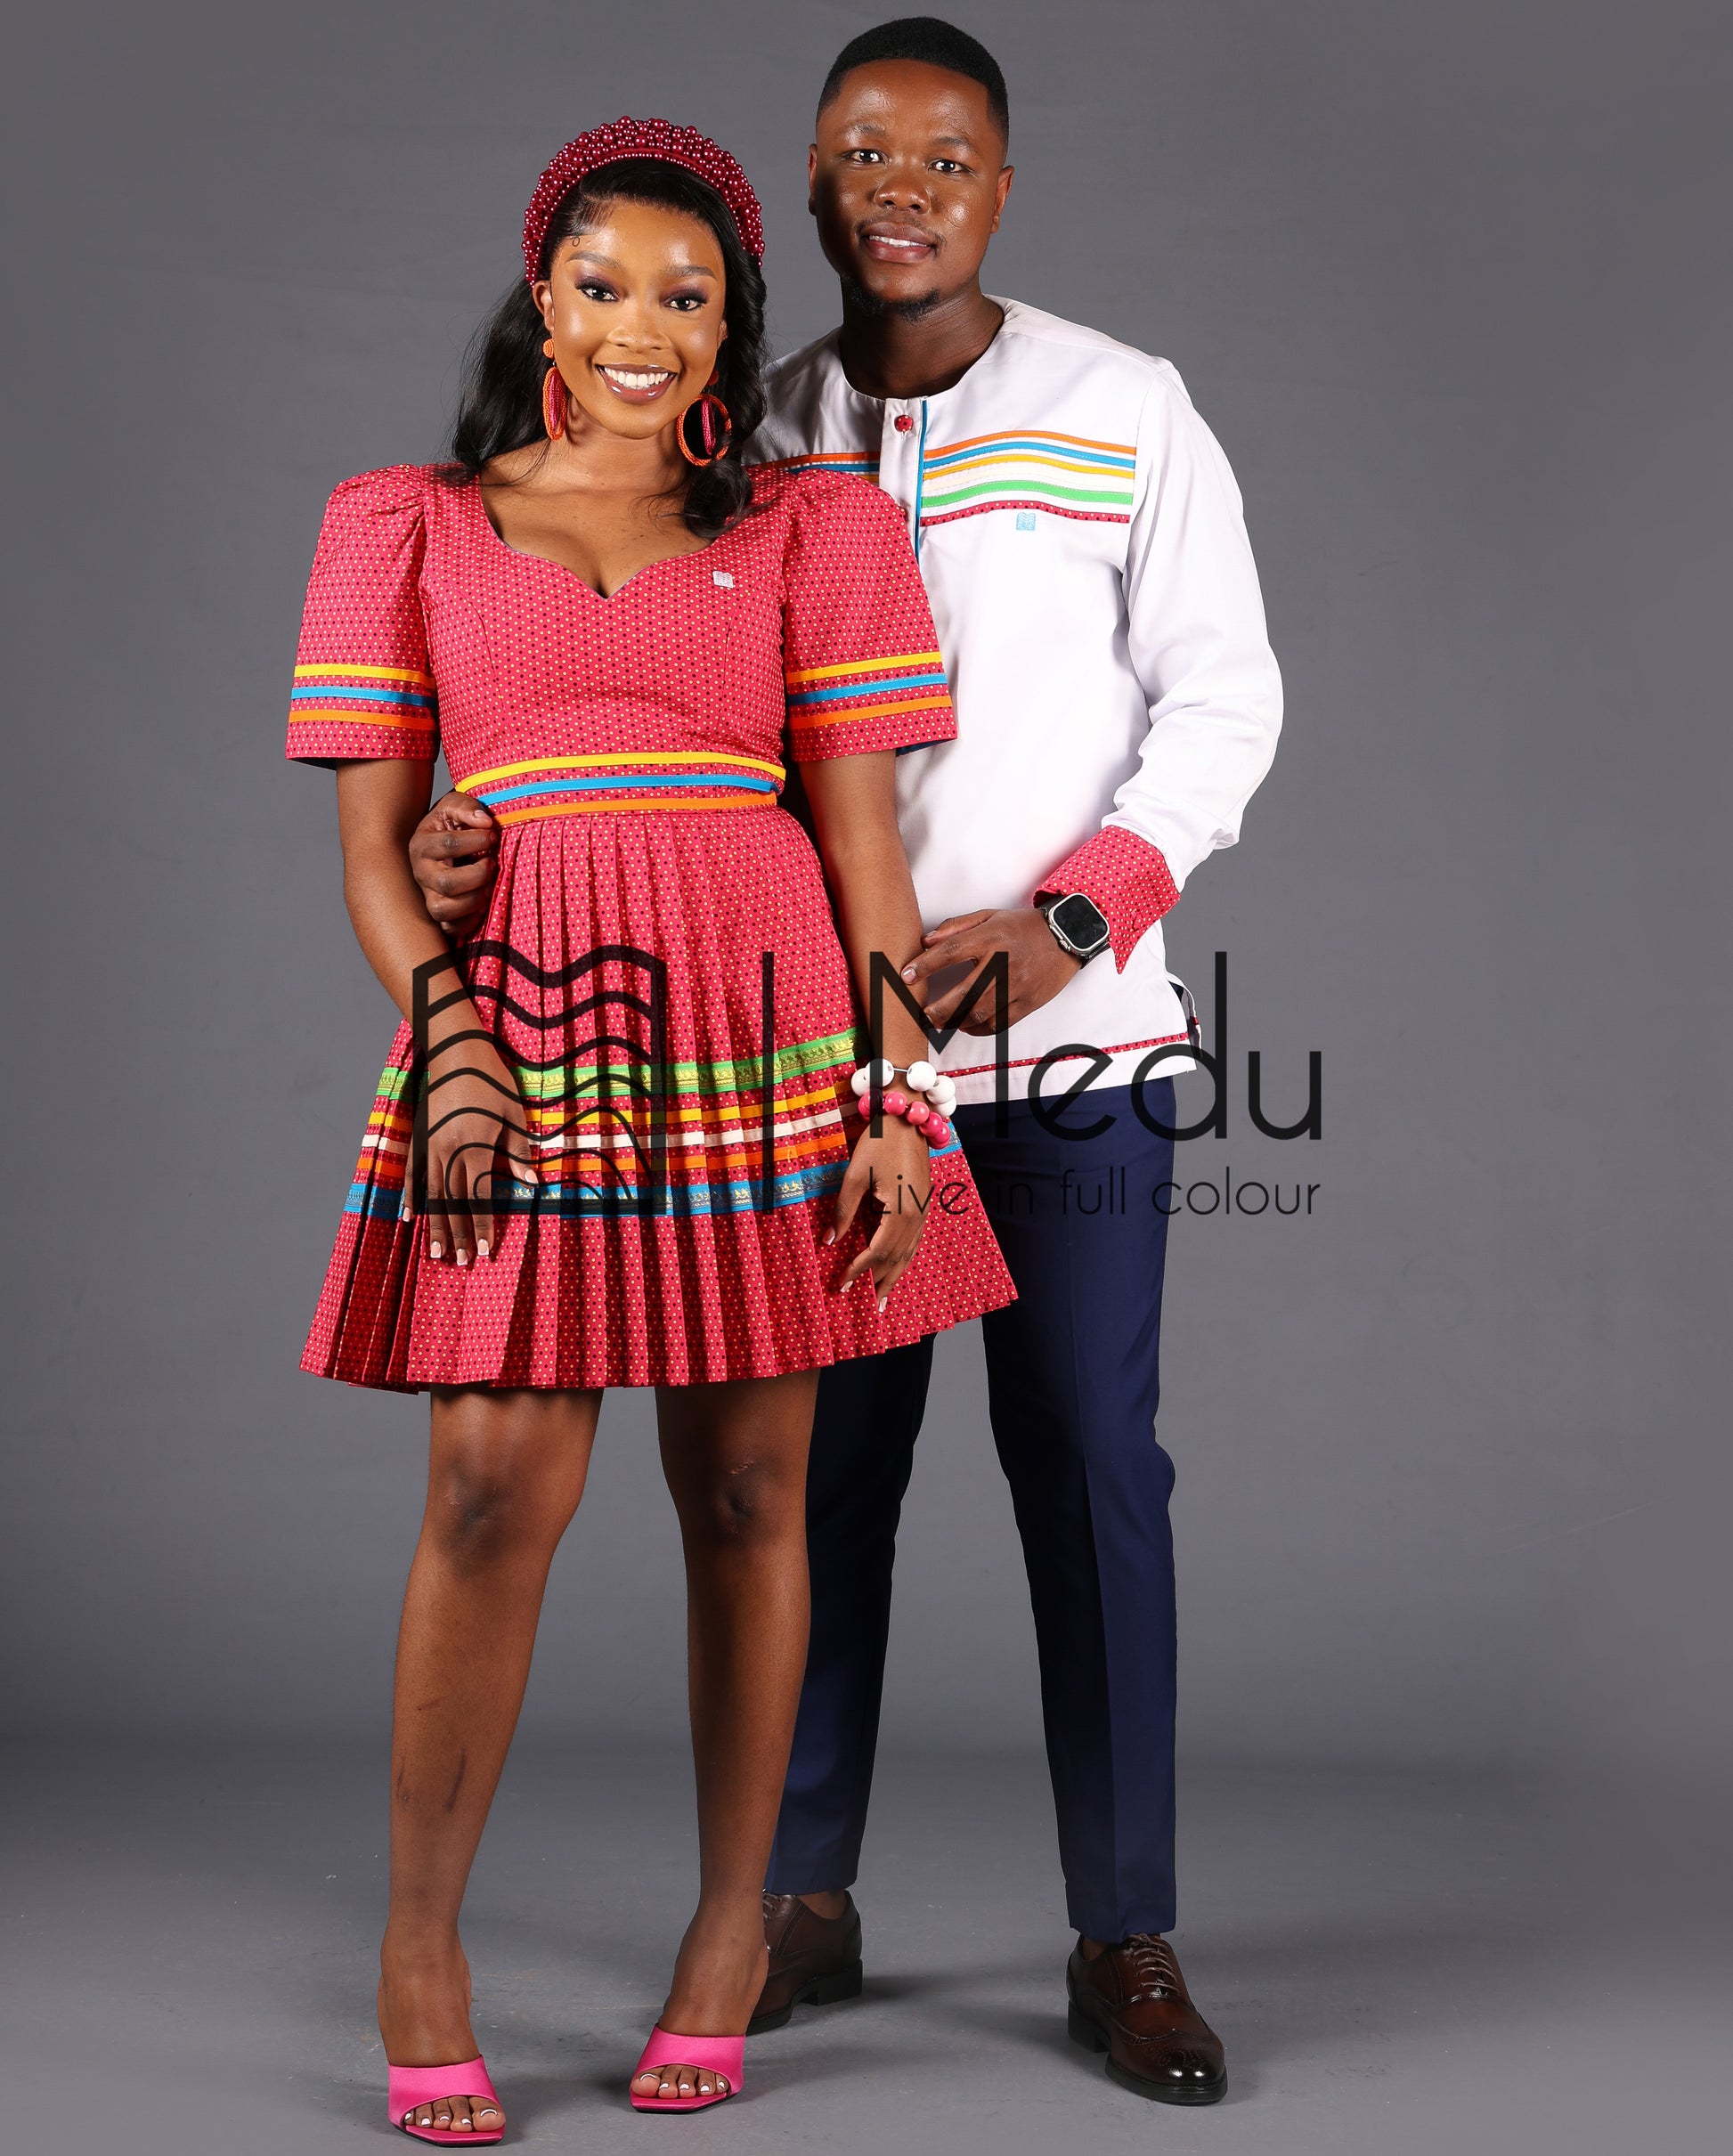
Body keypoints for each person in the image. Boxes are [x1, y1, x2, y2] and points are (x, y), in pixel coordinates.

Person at [410, 19, 1281, 2109]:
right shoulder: (736, 415)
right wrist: (469, 835)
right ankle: (797, 1892)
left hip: (1068, 1046)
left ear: (1001, 186)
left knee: (1092, 1462)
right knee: (805, 1480)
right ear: (803, 185)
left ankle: (1125, 1927)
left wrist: (1072, 918)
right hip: (792, 1055)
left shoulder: (1124, 405)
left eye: (946, 156)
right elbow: (627, 713)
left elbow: (1227, 702)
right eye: (864, 155)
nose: (903, 187)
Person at [287, 117, 1013, 2138]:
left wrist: (896, 1094)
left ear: (728, 327)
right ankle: (419, 1942)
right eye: (602, 283)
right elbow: (374, 858)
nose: (638, 323)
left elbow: (866, 852)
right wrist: (446, 1035)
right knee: (486, 1488)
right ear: (544, 300)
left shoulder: (815, 532)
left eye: (684, 296)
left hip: (762, 1029)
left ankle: (724, 1932)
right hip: (519, 1038)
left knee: (753, 1493)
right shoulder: (403, 524)